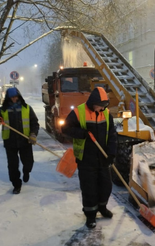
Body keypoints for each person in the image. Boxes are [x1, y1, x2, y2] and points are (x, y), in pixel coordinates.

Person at [61, 87, 117, 229]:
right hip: (86, 158)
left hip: (103, 157)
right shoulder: (79, 112)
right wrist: (82, 133)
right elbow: (65, 128)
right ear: (92, 102)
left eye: (104, 106)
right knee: (89, 188)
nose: (101, 109)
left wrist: (111, 153)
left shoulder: (106, 113)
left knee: (106, 186)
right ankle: (90, 215)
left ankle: (102, 208)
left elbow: (112, 134)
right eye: (99, 106)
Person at [0, 87, 39, 194]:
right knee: (12, 166)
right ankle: (16, 184)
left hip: (25, 141)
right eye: (12, 97)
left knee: (28, 162)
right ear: (8, 98)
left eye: (15, 97)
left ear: (19, 96)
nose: (14, 99)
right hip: (10, 142)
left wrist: (33, 134)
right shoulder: (2, 110)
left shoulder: (27, 108)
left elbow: (35, 123)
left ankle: (26, 172)